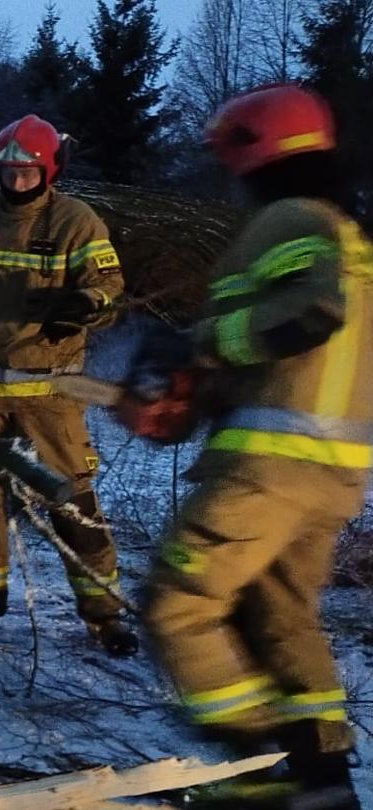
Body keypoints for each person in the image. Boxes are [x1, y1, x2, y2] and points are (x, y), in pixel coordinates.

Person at [133, 84, 369, 809]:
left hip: (271, 467)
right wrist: (188, 399)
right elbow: (295, 352)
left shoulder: (292, 218)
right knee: (280, 618)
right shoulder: (349, 236)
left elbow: (310, 314)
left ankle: (263, 770)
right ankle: (322, 781)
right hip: (332, 473)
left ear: (257, 149)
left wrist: (200, 344)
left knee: (177, 605)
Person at [0, 114, 139, 656]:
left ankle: (105, 615)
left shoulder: (75, 221)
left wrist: (82, 305)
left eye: (28, 172)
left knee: (73, 507)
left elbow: (109, 286)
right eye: (9, 172)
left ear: (48, 171)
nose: (17, 182)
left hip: (49, 396)